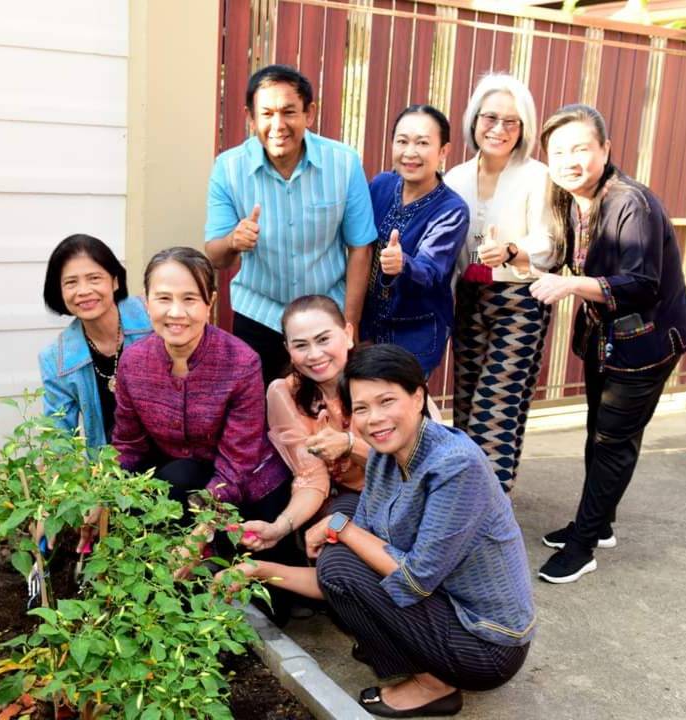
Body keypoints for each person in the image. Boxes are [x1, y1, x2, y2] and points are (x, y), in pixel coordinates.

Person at [221, 344, 536, 717]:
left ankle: (435, 685)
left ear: (418, 396)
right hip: (445, 608)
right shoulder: (386, 459)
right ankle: (413, 659)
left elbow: (415, 579)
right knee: (340, 558)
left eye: (387, 401)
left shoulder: (455, 467)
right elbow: (341, 575)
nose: (374, 419)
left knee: (342, 547)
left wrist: (342, 527)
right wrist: (258, 571)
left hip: (487, 645)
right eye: (362, 408)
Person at [530, 104, 686, 584]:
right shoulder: (568, 197)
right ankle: (597, 523)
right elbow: (566, 255)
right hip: (605, 337)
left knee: (612, 441)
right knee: (597, 431)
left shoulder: (632, 204)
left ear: (605, 149)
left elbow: (641, 283)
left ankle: (583, 546)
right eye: (558, 151)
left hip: (646, 341)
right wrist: (519, 254)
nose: (569, 160)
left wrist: (570, 287)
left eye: (581, 148)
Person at [110, 246, 298, 619]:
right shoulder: (134, 362)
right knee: (175, 477)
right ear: (146, 302)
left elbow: (237, 462)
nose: (176, 312)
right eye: (163, 298)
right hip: (190, 481)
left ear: (210, 303)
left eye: (189, 299)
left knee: (269, 609)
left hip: (251, 490)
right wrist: (102, 497)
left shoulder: (241, 361)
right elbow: (127, 447)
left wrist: (200, 534)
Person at [204, 64, 377, 385]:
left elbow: (360, 248)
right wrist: (233, 241)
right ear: (251, 118)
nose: (277, 125)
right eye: (266, 113)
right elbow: (215, 256)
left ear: (309, 114)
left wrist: (348, 327)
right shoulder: (228, 168)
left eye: (289, 112)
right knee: (257, 418)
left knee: (328, 417)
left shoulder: (344, 163)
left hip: (326, 316)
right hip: (259, 314)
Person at [445, 73, 556, 493]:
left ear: (524, 128)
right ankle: (470, 496)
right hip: (469, 297)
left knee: (498, 404)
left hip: (520, 298)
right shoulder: (455, 177)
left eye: (512, 121)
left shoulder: (537, 175)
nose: (499, 129)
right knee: (469, 401)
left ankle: (486, 506)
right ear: (474, 120)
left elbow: (550, 242)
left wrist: (512, 250)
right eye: (490, 117)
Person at [241, 295, 368, 554]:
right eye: (301, 345)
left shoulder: (380, 377)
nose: (314, 355)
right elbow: (311, 477)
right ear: (288, 349)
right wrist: (278, 528)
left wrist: (349, 444)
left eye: (323, 340)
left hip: (405, 494)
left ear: (348, 333)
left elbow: (411, 461)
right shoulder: (284, 393)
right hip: (344, 500)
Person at [361, 105, 469, 376]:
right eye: (402, 141)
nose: (410, 152)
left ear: (443, 151)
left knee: (402, 408)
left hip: (415, 332)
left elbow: (432, 271)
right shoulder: (381, 184)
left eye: (422, 143)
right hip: (369, 326)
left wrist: (403, 264)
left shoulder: (452, 209)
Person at [38, 234, 152, 448]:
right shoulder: (55, 359)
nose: (84, 291)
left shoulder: (153, 318)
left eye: (94, 278)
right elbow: (58, 437)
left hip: (173, 463)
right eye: (71, 282)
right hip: (110, 472)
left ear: (115, 281)